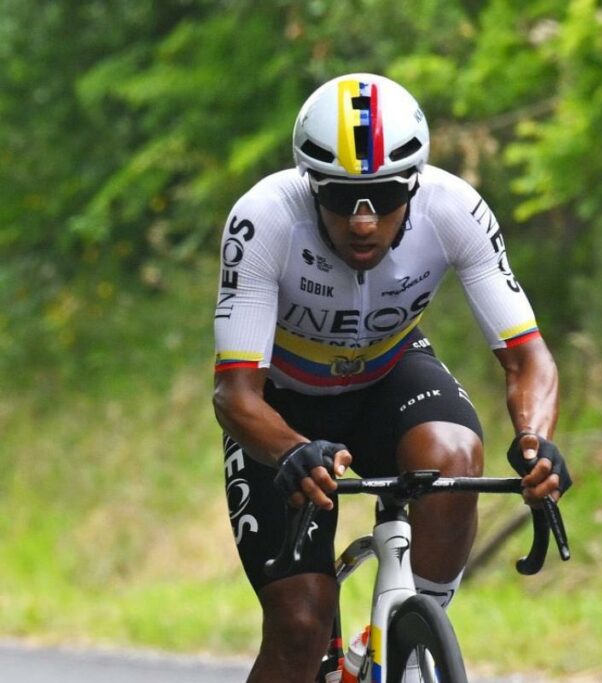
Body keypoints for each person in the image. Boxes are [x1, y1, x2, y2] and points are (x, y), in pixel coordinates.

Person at [212, 73, 571, 683]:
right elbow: (235, 394)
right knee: (300, 627)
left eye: (382, 197)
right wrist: (293, 451)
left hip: (388, 373)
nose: (362, 222)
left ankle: (409, 644)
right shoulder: (264, 220)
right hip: (282, 407)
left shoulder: (453, 208)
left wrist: (535, 441)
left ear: (414, 184)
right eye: (340, 199)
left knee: (455, 456)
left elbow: (527, 357)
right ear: (310, 186)